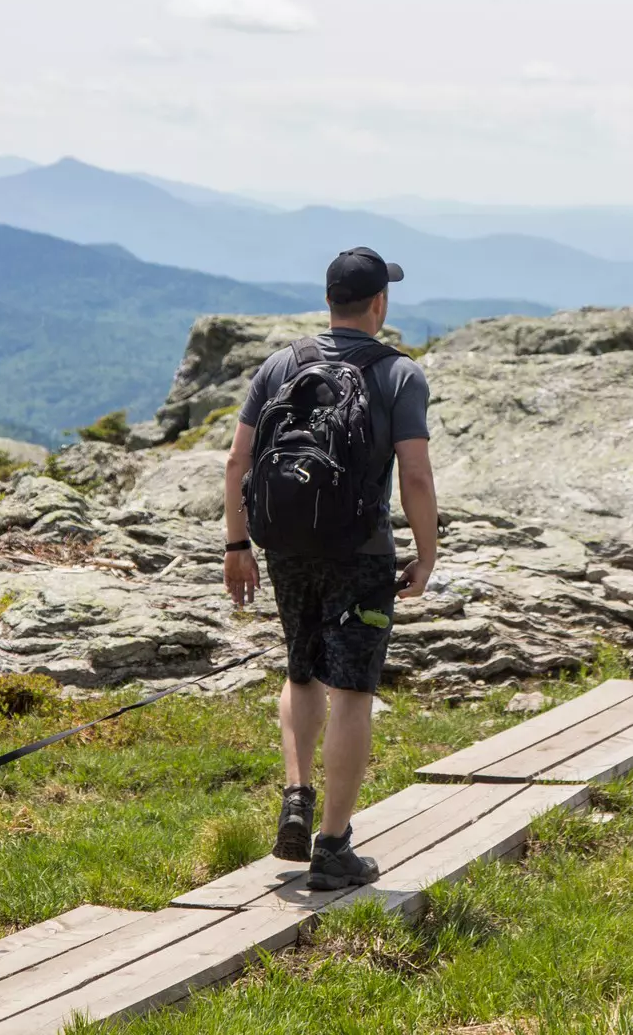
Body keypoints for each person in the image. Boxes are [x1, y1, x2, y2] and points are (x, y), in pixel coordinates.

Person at [221, 246, 437, 889]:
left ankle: (296, 794)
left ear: (328, 301)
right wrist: (427, 555)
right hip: (360, 552)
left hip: (286, 548)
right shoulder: (400, 376)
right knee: (352, 691)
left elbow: (238, 464)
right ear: (379, 304)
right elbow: (417, 477)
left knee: (301, 665)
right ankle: (334, 844)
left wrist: (238, 548)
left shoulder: (281, 364)